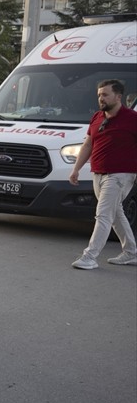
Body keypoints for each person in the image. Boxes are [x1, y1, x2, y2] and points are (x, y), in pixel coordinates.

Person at [68, 79, 137, 269]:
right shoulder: (97, 117)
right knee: (115, 214)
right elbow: (88, 144)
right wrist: (76, 169)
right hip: (98, 173)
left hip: (121, 175)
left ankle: (90, 257)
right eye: (99, 95)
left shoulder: (132, 118)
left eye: (105, 94)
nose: (101, 98)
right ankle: (131, 253)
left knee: (103, 215)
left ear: (118, 96)